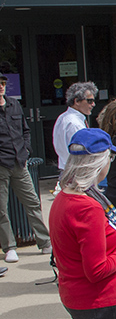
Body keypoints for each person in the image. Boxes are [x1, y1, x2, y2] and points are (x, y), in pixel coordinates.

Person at [48, 128, 116, 319]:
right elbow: (96, 269)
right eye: (109, 158)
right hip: (99, 301)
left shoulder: (64, 197)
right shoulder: (88, 207)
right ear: (98, 163)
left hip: (78, 298)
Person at [0, 73, 51, 264]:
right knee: (1, 209)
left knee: (32, 202)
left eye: (3, 83)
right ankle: (9, 247)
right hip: (1, 165)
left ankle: (44, 241)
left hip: (19, 163)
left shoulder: (14, 104)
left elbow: (25, 130)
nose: (1, 87)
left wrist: (26, 149)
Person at [53, 81, 98, 171]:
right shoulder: (74, 124)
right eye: (89, 101)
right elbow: (81, 153)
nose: (93, 104)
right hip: (76, 171)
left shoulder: (63, 117)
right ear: (77, 101)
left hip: (68, 168)